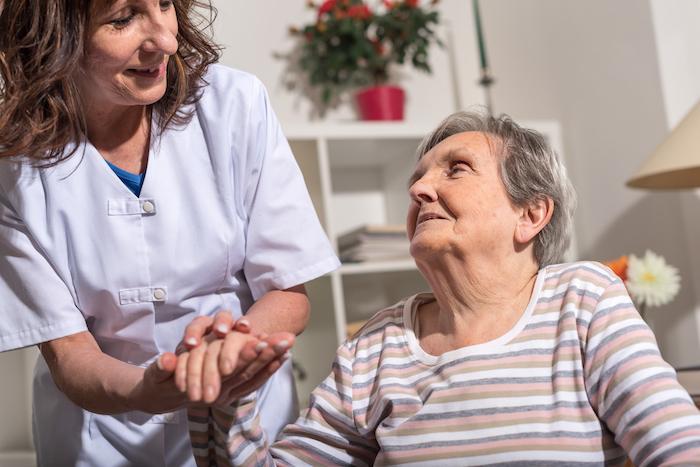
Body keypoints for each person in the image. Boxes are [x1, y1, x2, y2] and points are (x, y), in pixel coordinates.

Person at [187, 111, 700, 466]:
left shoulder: (583, 298)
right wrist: (230, 401)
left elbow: (675, 444)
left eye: (456, 169)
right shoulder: (377, 343)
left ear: (530, 214)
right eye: (418, 176)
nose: (418, 189)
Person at [0, 0, 339, 465]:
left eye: (165, 4)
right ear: (51, 37)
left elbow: (288, 293)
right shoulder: (14, 167)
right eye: (123, 19)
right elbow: (69, 353)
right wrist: (147, 388)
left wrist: (228, 351)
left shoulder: (233, 105)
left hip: (247, 428)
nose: (166, 40)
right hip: (100, 443)